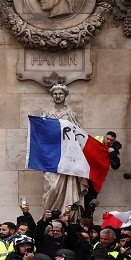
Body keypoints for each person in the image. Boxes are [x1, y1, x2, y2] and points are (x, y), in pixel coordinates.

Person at [40, 83, 89, 220]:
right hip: (51, 155)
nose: (57, 96)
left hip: (67, 155)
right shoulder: (46, 113)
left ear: (65, 96)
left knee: (68, 186)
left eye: (60, 93)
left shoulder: (71, 114)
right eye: (55, 94)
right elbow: (41, 133)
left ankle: (66, 216)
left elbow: (78, 134)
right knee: (52, 187)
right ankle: (47, 217)